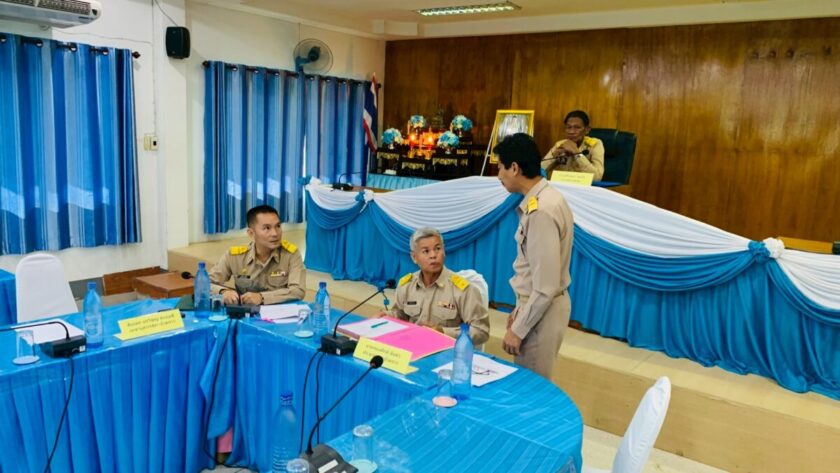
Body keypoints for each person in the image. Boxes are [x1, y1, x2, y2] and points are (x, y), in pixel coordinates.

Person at [495, 133, 574, 379]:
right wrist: (520, 310)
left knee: (530, 389)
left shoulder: (541, 211)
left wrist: (519, 329)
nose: (498, 175)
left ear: (514, 168)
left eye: (500, 167)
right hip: (537, 308)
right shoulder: (545, 197)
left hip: (542, 314)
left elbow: (545, 287)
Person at [383, 227, 490, 346]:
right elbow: (400, 314)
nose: (433, 255)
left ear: (444, 251)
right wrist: (386, 316)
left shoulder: (463, 290)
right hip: (411, 346)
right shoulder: (406, 285)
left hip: (445, 351)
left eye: (438, 249)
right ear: (414, 257)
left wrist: (443, 332)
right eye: (426, 251)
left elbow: (481, 331)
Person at [209, 205, 306, 306]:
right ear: (251, 233)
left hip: (279, 312)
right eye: (267, 228)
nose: (275, 233)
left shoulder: (291, 255)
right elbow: (204, 284)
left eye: (278, 226)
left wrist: (262, 297)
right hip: (246, 312)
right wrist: (223, 292)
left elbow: (298, 291)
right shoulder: (234, 256)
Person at [542, 110, 604, 181]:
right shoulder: (560, 144)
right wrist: (554, 159)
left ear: (587, 129)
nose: (571, 132)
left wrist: (577, 154)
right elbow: (539, 171)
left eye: (577, 127)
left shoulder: (595, 144)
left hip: (584, 186)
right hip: (563, 185)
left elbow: (597, 177)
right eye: (568, 127)